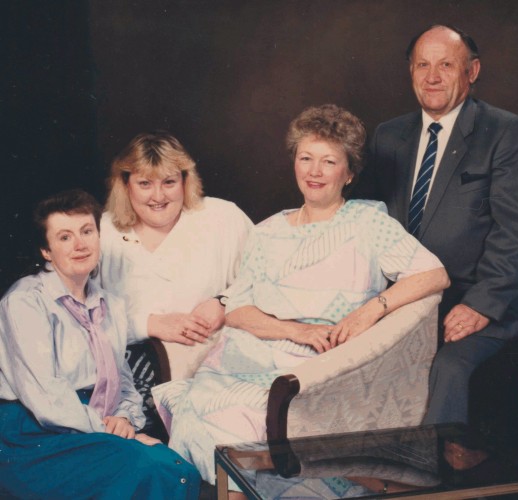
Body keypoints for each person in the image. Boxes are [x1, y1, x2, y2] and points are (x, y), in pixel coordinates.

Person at [152, 104, 450, 493]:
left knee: (240, 422)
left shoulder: (368, 223)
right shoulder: (267, 230)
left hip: (318, 367)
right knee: (199, 407)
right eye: (305, 158)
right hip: (246, 359)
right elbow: (239, 309)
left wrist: (370, 311)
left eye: (328, 161)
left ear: (349, 174)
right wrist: (294, 330)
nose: (314, 171)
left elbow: (433, 273)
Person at [356, 24, 518, 424]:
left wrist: (481, 304)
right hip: (410, 299)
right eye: (423, 65)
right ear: (410, 71)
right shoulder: (389, 136)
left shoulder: (506, 132)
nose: (432, 76)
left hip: (483, 297)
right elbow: (364, 221)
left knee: (448, 366)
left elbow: (516, 235)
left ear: (472, 71)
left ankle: (433, 480)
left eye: (445, 65)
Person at [0, 189, 200, 500]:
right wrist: (112, 432)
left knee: (180, 470)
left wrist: (125, 419)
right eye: (64, 237)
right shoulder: (25, 302)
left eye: (87, 231)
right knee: (148, 465)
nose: (80, 244)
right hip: (32, 432)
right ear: (46, 251)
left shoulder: (110, 305)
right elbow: (45, 397)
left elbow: (123, 382)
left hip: (93, 422)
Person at [100, 131, 253, 435]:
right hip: (130, 366)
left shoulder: (222, 217)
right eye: (145, 183)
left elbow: (266, 279)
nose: (158, 196)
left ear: (186, 180)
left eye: (169, 182)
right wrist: (149, 324)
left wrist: (224, 302)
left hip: (212, 366)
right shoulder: (104, 231)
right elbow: (85, 317)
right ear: (125, 184)